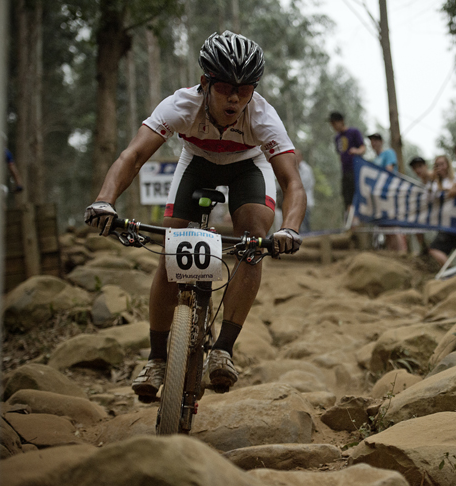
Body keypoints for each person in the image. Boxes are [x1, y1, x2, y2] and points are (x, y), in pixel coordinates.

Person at [84, 31, 306, 400]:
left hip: (247, 169)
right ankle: (157, 358)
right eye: (224, 88)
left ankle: (223, 350)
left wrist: (290, 229)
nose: (235, 98)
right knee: (173, 252)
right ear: (205, 83)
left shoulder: (264, 117)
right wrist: (104, 201)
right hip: (196, 165)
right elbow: (134, 156)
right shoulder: (181, 105)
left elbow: (291, 181)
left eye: (245, 88)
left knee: (253, 242)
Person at [367, 133, 406, 252]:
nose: (374, 143)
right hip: (379, 197)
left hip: (389, 193)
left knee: (393, 225)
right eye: (372, 141)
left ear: (381, 141)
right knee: (385, 227)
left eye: (376, 140)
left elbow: (389, 170)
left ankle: (402, 253)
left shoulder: (389, 153)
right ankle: (392, 252)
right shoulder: (374, 160)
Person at [329, 112, 365, 214]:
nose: (333, 126)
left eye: (334, 123)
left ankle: (358, 220)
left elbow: (363, 148)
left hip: (356, 170)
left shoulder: (354, 132)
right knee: (346, 197)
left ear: (341, 121)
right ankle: (350, 221)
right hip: (345, 171)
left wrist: (356, 151)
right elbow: (340, 154)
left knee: (356, 195)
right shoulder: (337, 138)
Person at [409, 156, 431, 255]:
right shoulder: (418, 184)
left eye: (420, 166)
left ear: (426, 166)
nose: (417, 170)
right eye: (415, 168)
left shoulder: (434, 178)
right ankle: (424, 250)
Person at [296, 150, 315, 234]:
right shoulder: (295, 168)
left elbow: (303, 185)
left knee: (305, 224)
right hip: (296, 202)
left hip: (305, 201)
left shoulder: (306, 169)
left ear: (300, 157)